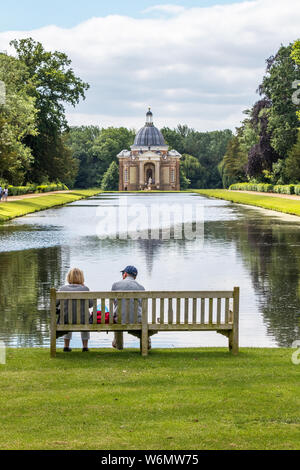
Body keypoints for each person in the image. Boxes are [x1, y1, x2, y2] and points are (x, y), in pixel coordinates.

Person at [111, 265, 156, 350]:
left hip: (119, 320)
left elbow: (115, 303)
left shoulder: (115, 285)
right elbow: (141, 306)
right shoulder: (141, 288)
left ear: (125, 274)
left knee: (118, 316)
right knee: (137, 319)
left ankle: (117, 343)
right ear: (135, 277)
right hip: (137, 320)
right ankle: (146, 340)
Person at [57, 268, 93, 352]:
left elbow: (56, 303)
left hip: (65, 320)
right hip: (83, 320)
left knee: (67, 317)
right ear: (81, 277)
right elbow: (91, 305)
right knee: (85, 317)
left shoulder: (62, 289)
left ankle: (66, 346)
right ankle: (85, 347)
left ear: (69, 277)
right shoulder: (85, 289)